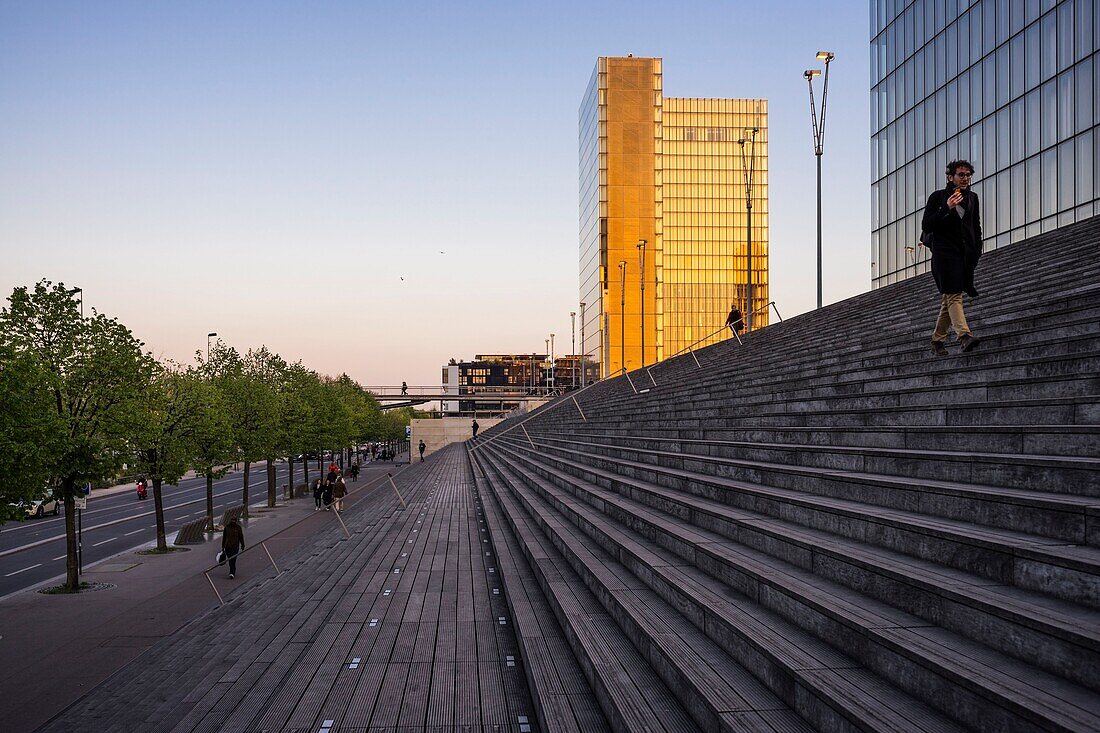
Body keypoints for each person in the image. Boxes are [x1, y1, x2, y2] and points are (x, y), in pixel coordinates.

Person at [921, 159, 983, 356]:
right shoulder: (938, 197)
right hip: (944, 254)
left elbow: (975, 226)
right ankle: (964, 336)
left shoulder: (972, 197)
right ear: (950, 177)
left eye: (968, 175)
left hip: (963, 254)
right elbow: (927, 225)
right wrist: (945, 208)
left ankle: (937, 340)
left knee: (949, 297)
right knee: (954, 295)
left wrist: (977, 249)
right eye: (961, 175)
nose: (965, 178)